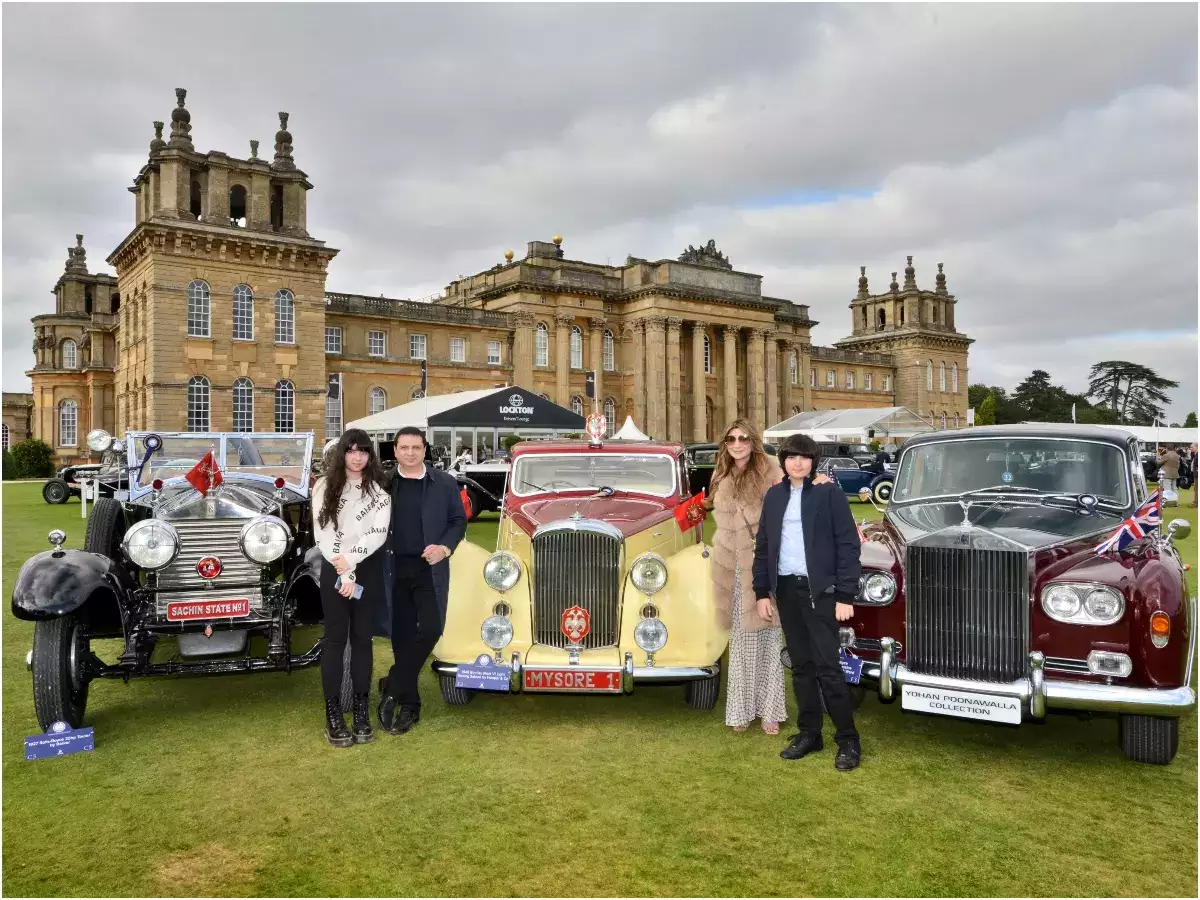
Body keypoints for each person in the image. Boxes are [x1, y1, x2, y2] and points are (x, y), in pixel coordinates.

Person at [753, 433, 863, 771]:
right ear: (783, 461)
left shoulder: (829, 493)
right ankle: (809, 733)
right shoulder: (774, 495)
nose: (797, 463)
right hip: (787, 591)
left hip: (822, 594)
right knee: (801, 666)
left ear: (813, 460)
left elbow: (848, 545)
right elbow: (764, 546)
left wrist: (845, 594)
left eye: (804, 457)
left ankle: (847, 739)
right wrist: (761, 592)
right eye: (791, 457)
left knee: (828, 667)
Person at [377, 426, 467, 735]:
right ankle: (410, 706)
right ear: (395, 451)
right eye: (405, 447)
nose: (411, 452)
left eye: (416, 447)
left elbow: (458, 521)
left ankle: (393, 686)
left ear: (425, 450)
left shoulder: (444, 483)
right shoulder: (384, 484)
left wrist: (444, 547)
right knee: (402, 638)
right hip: (394, 568)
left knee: (430, 629)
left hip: (429, 569)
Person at [312, 429, 392, 748]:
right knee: (334, 639)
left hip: (366, 568)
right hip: (334, 568)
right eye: (352, 450)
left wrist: (352, 566)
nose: (357, 457)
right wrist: (342, 570)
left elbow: (377, 533)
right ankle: (334, 713)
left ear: (370, 455)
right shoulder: (323, 486)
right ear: (342, 453)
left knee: (362, 640)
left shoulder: (379, 490)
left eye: (363, 451)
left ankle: (361, 710)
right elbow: (323, 531)